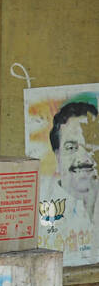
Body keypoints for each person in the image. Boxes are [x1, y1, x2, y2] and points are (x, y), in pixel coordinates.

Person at [39, 99, 99, 262]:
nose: (83, 158)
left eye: (91, 145)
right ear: (57, 154)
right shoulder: (39, 208)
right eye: (71, 147)